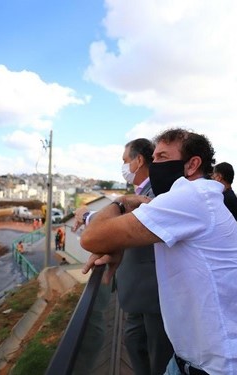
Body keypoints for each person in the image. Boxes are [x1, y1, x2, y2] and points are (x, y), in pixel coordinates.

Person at [80, 128, 237, 375]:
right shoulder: (196, 199)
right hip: (190, 359)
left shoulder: (192, 196)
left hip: (224, 367)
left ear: (192, 164)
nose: (154, 164)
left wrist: (122, 202)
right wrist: (117, 244)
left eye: (161, 157)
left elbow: (91, 237)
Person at [74, 138, 173, 375]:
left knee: (157, 354)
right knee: (136, 344)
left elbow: (126, 221)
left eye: (124, 161)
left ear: (139, 161)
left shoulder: (156, 190)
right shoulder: (142, 191)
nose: (123, 167)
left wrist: (88, 216)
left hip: (152, 294)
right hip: (139, 293)